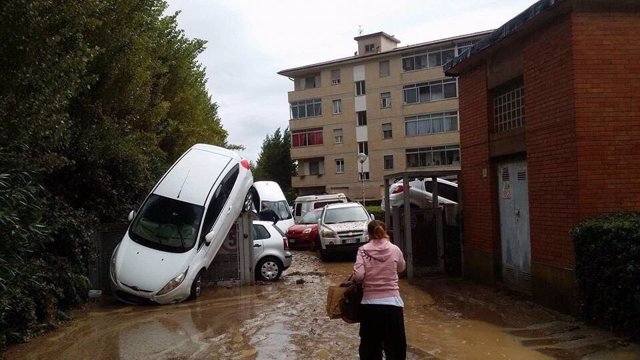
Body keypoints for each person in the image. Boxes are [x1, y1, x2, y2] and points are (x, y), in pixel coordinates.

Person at [353, 220, 407, 360]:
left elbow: (359, 276)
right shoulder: (395, 249)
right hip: (393, 306)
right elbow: (401, 268)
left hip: (370, 308)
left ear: (369, 234)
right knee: (396, 351)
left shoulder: (363, 250)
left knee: (370, 351)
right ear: (385, 232)